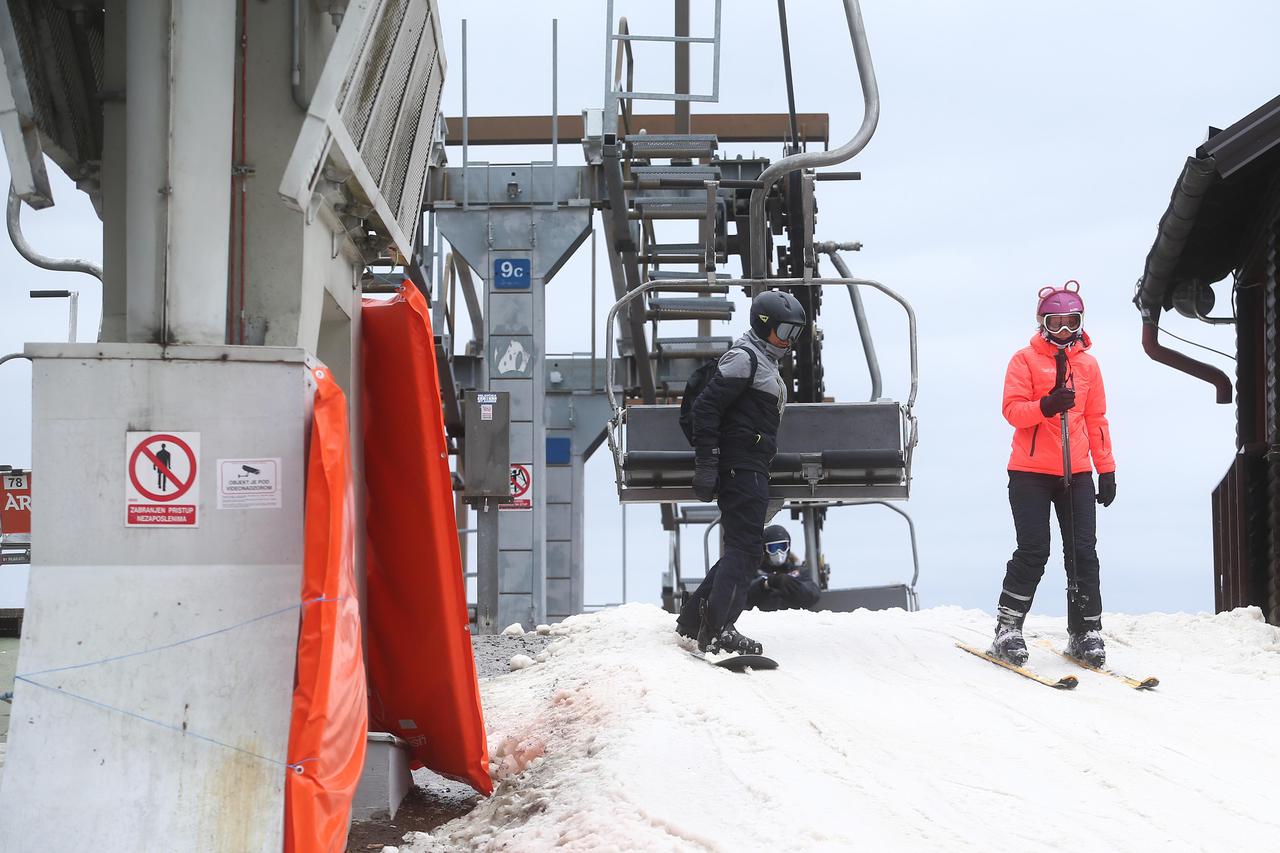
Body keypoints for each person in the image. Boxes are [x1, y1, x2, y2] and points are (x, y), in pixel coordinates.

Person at [675, 290, 807, 655]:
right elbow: (706, 410)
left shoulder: (763, 361)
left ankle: (691, 620)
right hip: (740, 465)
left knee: (742, 548)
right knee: (747, 550)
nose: (789, 340)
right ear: (763, 326)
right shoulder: (744, 359)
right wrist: (707, 463)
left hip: (751, 464)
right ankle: (717, 628)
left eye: (795, 333)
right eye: (784, 331)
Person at [991, 280, 1116, 668]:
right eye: (1055, 322)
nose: (1063, 330)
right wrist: (1046, 404)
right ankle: (1008, 627)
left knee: (1082, 552)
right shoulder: (1024, 360)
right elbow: (1012, 411)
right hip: (1030, 472)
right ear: (1042, 323)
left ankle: (1085, 631)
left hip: (1076, 472)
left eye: (1071, 321)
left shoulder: (1089, 365)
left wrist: (1105, 469)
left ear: (1080, 323)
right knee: (1034, 549)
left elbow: (1096, 419)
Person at [746, 525, 821, 612]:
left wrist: (793, 585)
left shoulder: (799, 572)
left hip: (794, 620)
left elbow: (813, 595)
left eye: (782, 547)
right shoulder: (754, 572)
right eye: (773, 548)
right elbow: (743, 595)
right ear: (764, 549)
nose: (779, 552)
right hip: (763, 621)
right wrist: (765, 584)